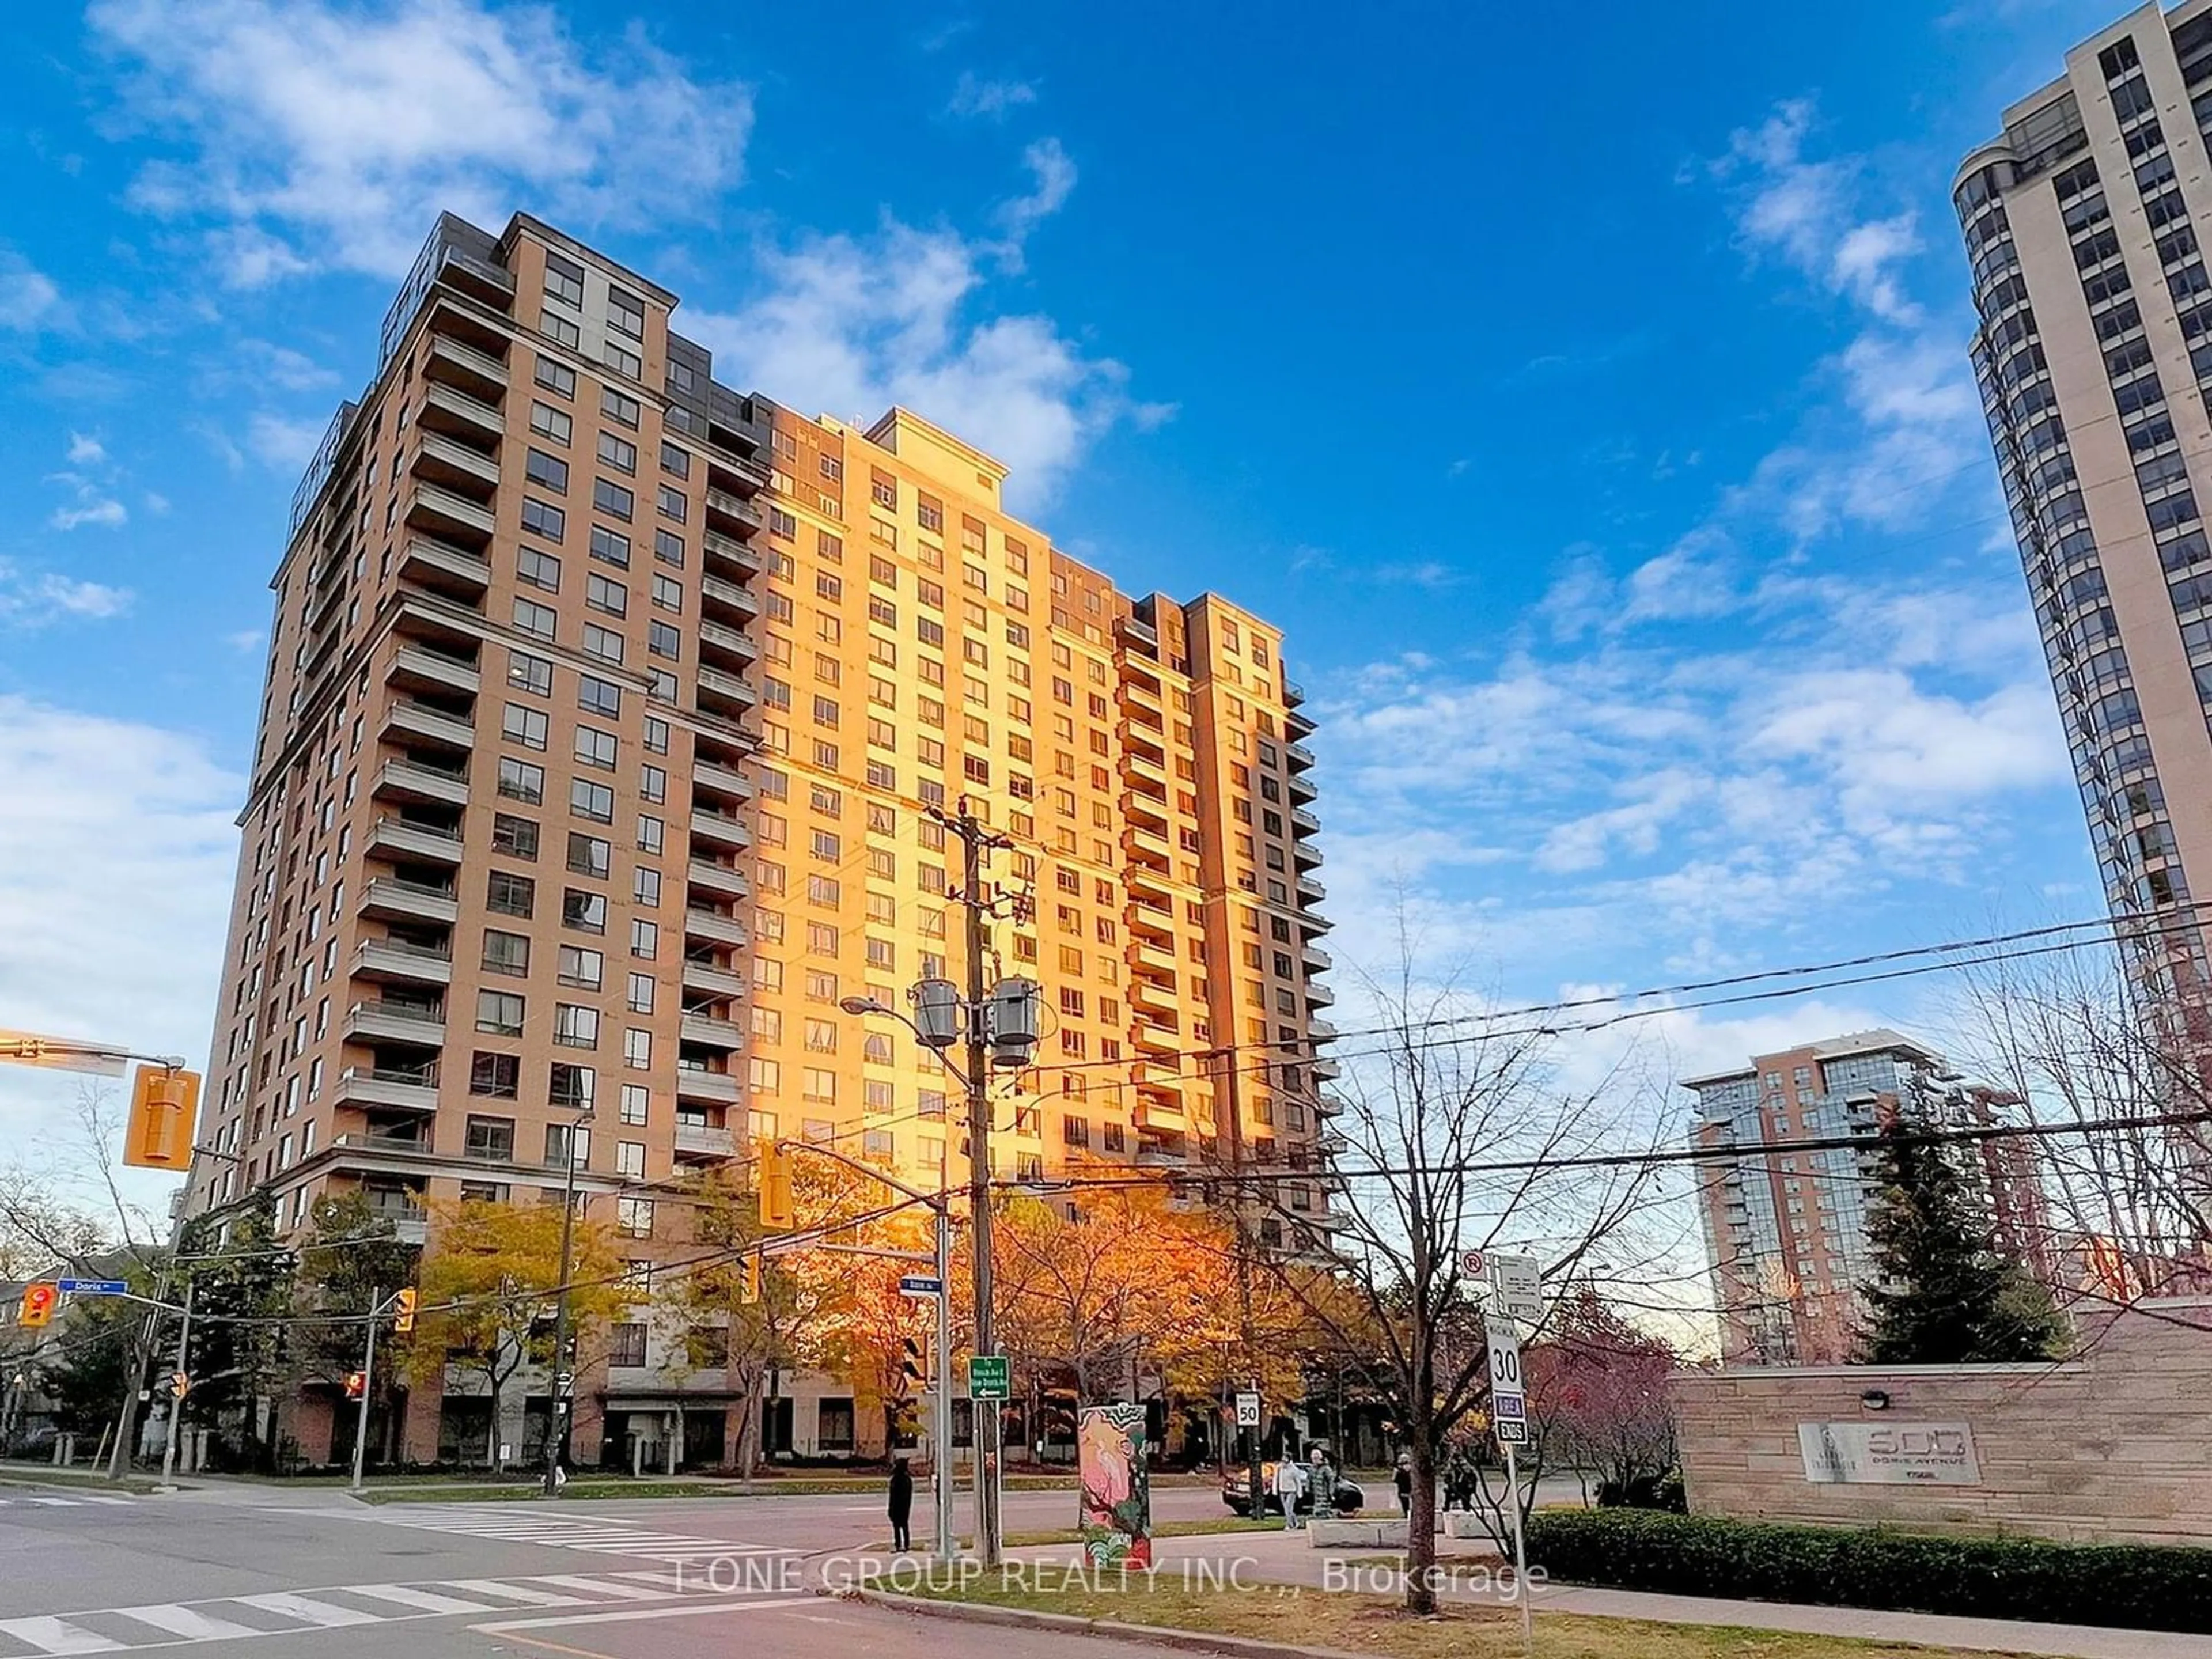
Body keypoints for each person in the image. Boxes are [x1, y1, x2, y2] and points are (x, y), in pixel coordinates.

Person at [1272, 1452, 1307, 1530]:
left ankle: (1289, 1525)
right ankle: (1296, 1522)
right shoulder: (1279, 1468)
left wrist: (1299, 1492)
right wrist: (1275, 1489)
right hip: (1282, 1490)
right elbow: (1276, 1479)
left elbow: (1298, 1481)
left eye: (1286, 1458)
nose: (1284, 1460)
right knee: (1286, 1509)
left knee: (1289, 1507)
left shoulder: (1294, 1469)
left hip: (1291, 1490)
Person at [888, 1455, 914, 1552]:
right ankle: (905, 1545)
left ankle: (899, 1545)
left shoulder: (897, 1480)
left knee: (898, 1526)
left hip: (898, 1507)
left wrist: (891, 1508)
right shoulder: (907, 1479)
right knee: (904, 1526)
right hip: (904, 1508)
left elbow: (893, 1496)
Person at [1308, 1445, 1334, 1520]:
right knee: (1317, 1509)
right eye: (1313, 1459)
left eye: (1316, 1458)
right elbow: (1309, 1479)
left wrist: (1331, 1492)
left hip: (1324, 1493)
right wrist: (1308, 1488)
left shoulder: (1326, 1468)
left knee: (1324, 1510)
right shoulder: (1312, 1469)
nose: (1315, 1460)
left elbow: (1331, 1480)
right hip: (1316, 1493)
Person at [1394, 1452, 1413, 1516]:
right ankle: (1412, 1514)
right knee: (1414, 1503)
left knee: (1405, 1504)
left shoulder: (1398, 1470)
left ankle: (1407, 1514)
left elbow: (1395, 1480)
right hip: (1411, 1488)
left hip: (1402, 1489)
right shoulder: (1413, 1469)